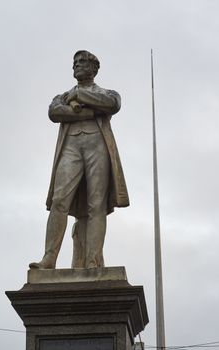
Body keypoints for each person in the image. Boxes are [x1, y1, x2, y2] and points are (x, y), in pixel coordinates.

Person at [29, 50, 129, 269]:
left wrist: (80, 97)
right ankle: (49, 258)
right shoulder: (63, 96)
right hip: (71, 148)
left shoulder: (107, 92)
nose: (76, 65)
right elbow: (54, 112)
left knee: (97, 205)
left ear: (94, 69)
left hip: (98, 147)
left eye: (82, 62)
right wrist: (88, 113)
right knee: (59, 200)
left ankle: (93, 262)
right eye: (75, 62)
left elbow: (112, 104)